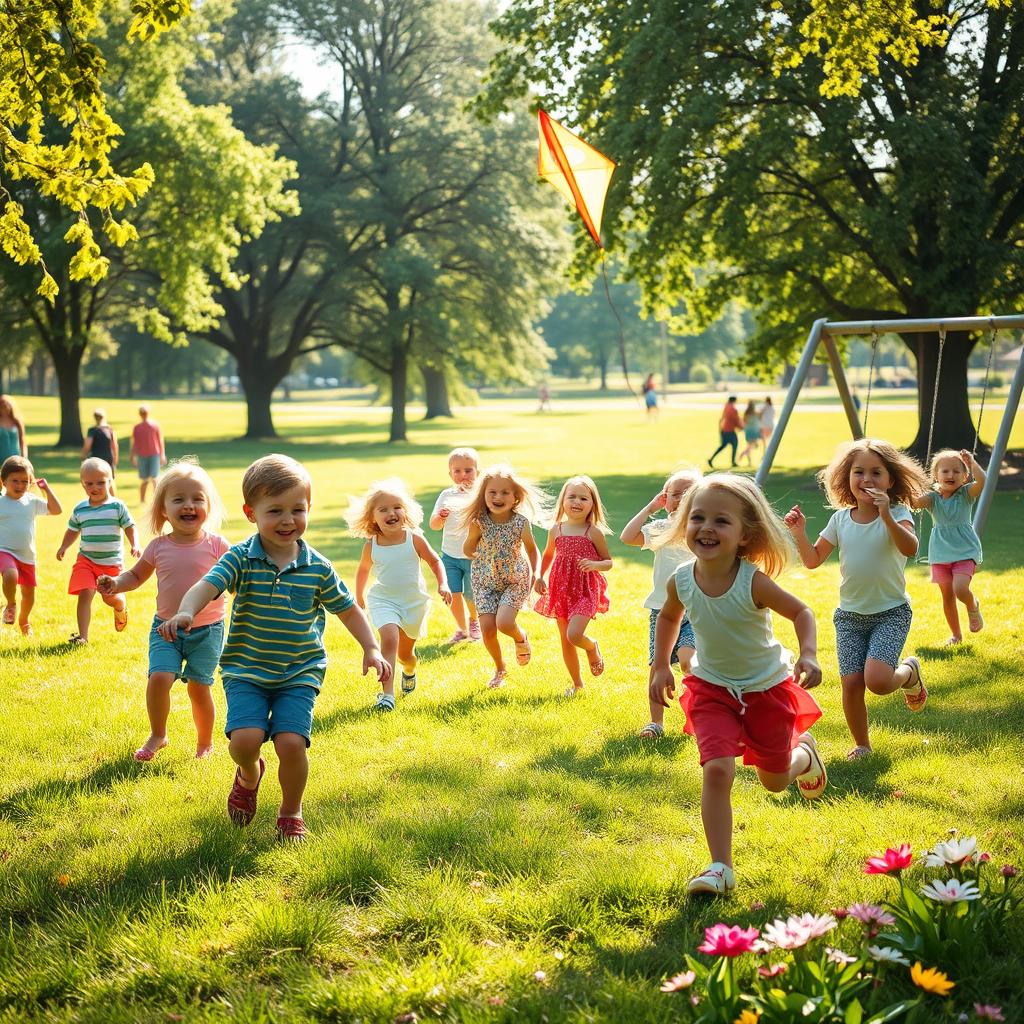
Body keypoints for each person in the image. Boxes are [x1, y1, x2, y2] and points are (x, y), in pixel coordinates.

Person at [157, 454, 390, 842]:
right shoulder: (241, 558)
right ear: (251, 513)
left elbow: (348, 610)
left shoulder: (318, 567)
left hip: (299, 672)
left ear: (309, 508)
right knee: (245, 741)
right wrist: (185, 611)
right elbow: (206, 586)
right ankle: (249, 774)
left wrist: (371, 647)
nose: (287, 520)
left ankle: (290, 811)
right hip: (246, 669)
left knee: (291, 742)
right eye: (275, 510)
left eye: (298, 509)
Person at [650, 474, 826, 896]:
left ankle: (803, 756)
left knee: (775, 780)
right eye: (698, 517)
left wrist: (809, 653)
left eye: (721, 521)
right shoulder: (682, 579)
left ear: (745, 535)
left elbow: (801, 612)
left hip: (765, 687)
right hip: (711, 688)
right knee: (716, 769)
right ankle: (720, 867)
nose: (706, 528)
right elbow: (670, 618)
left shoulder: (753, 581)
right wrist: (661, 667)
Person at [784, 438, 930, 761]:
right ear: (846, 479)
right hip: (850, 617)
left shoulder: (898, 512)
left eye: (876, 472)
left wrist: (885, 516)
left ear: (890, 480)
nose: (867, 479)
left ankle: (908, 673)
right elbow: (812, 560)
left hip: (891, 613)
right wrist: (799, 534)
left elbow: (910, 548)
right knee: (851, 684)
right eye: (858, 472)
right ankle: (862, 745)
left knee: (877, 681)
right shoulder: (840, 520)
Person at [96, 458, 230, 761]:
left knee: (199, 687)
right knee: (159, 678)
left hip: (207, 631)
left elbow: (237, 579)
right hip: (165, 628)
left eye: (197, 498)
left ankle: (204, 743)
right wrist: (116, 584)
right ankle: (158, 734)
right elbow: (135, 576)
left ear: (208, 505)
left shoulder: (218, 546)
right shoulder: (158, 547)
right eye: (179, 499)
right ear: (163, 510)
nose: (188, 505)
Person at [350, 478, 451, 712]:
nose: (391, 513)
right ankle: (387, 695)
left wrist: (443, 584)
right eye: (383, 509)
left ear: (405, 511)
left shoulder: (413, 538)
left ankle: (409, 670)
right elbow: (363, 570)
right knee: (389, 639)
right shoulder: (371, 544)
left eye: (396, 507)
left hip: (413, 602)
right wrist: (360, 596)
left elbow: (435, 561)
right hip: (383, 599)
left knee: (406, 655)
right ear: (372, 517)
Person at [620, 467, 701, 737]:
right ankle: (656, 723)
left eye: (689, 493)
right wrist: (651, 507)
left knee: (690, 661)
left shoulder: (704, 527)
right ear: (665, 499)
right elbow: (627, 537)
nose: (681, 498)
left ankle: (697, 710)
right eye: (674, 494)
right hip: (663, 609)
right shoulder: (661, 528)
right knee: (658, 665)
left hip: (698, 609)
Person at [459, 463, 548, 689]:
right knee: (488, 630)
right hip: (484, 580)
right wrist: (475, 551)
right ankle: (500, 668)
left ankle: (520, 638)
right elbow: (467, 549)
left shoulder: (520, 522)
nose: (498, 497)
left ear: (515, 498)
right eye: (492, 492)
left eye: (505, 492)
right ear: (484, 495)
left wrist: (538, 574)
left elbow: (532, 549)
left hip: (514, 579)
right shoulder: (479, 522)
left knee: (504, 623)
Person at [534, 475, 612, 695]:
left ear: (592, 504)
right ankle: (577, 684)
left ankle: (591, 646)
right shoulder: (556, 530)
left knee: (574, 635)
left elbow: (609, 562)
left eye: (583, 498)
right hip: (561, 588)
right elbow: (548, 554)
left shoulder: (593, 532)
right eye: (572, 497)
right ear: (563, 501)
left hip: (586, 590)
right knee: (565, 640)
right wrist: (540, 576)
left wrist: (594, 564)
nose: (577, 502)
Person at [57, 457, 139, 644]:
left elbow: (129, 526)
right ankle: (83, 637)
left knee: (109, 599)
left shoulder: (117, 506)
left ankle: (120, 605)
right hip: (86, 560)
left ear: (110, 481)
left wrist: (135, 544)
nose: (95, 487)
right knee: (86, 593)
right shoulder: (80, 509)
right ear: (82, 484)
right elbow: (72, 530)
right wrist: (64, 546)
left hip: (111, 563)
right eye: (89, 483)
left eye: (101, 482)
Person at [910, 449, 986, 645]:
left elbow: (983, 481)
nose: (950, 475)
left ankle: (972, 605)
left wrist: (972, 463)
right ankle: (956, 635)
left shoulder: (966, 494)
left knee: (960, 589)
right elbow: (914, 503)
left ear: (964, 476)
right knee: (947, 596)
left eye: (956, 471)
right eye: (945, 471)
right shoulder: (933, 498)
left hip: (965, 551)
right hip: (940, 553)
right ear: (936, 475)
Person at [0, 456, 62, 635]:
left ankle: (24, 621)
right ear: (3, 481)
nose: (20, 485)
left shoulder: (31, 501)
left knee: (28, 595)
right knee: (10, 574)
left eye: (25, 481)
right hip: (4, 551)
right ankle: (11, 604)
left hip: (27, 555)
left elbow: (57, 510)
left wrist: (46, 489)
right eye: (15, 481)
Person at [429, 447, 481, 644]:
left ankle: (474, 620)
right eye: (457, 471)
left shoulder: (480, 495)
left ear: (478, 472)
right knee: (453, 593)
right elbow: (434, 525)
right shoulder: (446, 495)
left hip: (473, 555)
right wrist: (440, 517)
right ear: (450, 473)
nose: (462, 475)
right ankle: (461, 628)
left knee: (471, 593)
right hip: (450, 555)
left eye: (468, 470)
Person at [130, 405, 166, 504]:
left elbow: (160, 440)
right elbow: (135, 443)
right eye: (142, 413)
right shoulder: (137, 427)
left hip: (154, 454)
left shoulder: (155, 425)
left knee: (155, 478)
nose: (144, 414)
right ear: (140, 414)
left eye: (145, 412)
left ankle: (156, 500)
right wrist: (132, 456)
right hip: (142, 455)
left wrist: (162, 454)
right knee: (145, 479)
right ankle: (142, 500)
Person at [82, 409, 119, 490]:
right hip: (108, 458)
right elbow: (115, 446)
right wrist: (115, 460)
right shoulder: (109, 429)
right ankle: (113, 499)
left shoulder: (92, 430)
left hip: (96, 459)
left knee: (95, 481)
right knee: (110, 480)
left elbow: (87, 445)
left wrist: (83, 457)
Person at [708, 396, 741, 468]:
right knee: (734, 444)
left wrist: (720, 429)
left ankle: (711, 459)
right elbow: (736, 420)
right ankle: (733, 462)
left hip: (724, 429)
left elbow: (722, 418)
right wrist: (741, 427)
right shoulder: (733, 409)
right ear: (734, 401)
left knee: (723, 446)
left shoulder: (726, 406)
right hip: (730, 430)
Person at [0, 395, 27, 462]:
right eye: (2, 405)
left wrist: (24, 458)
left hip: (15, 459)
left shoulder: (17, 422)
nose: (4, 408)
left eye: (7, 405)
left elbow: (22, 442)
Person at [738, 400, 762, 466]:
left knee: (749, 446)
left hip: (748, 431)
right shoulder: (756, 412)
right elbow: (760, 418)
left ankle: (748, 460)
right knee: (751, 446)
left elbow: (744, 421)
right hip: (754, 431)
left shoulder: (747, 413)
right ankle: (743, 455)